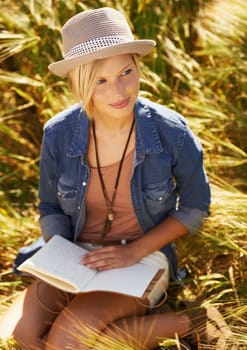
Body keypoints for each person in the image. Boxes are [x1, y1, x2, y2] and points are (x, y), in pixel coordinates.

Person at [9, 7, 213, 350]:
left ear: (137, 64)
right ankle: (168, 324)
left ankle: (187, 320)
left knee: (67, 341)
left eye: (126, 72)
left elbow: (195, 207)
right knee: (25, 336)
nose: (118, 91)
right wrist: (61, 254)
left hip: (143, 257)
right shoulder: (58, 134)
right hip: (77, 254)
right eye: (100, 80)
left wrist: (133, 252)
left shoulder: (170, 132)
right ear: (79, 81)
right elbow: (49, 206)